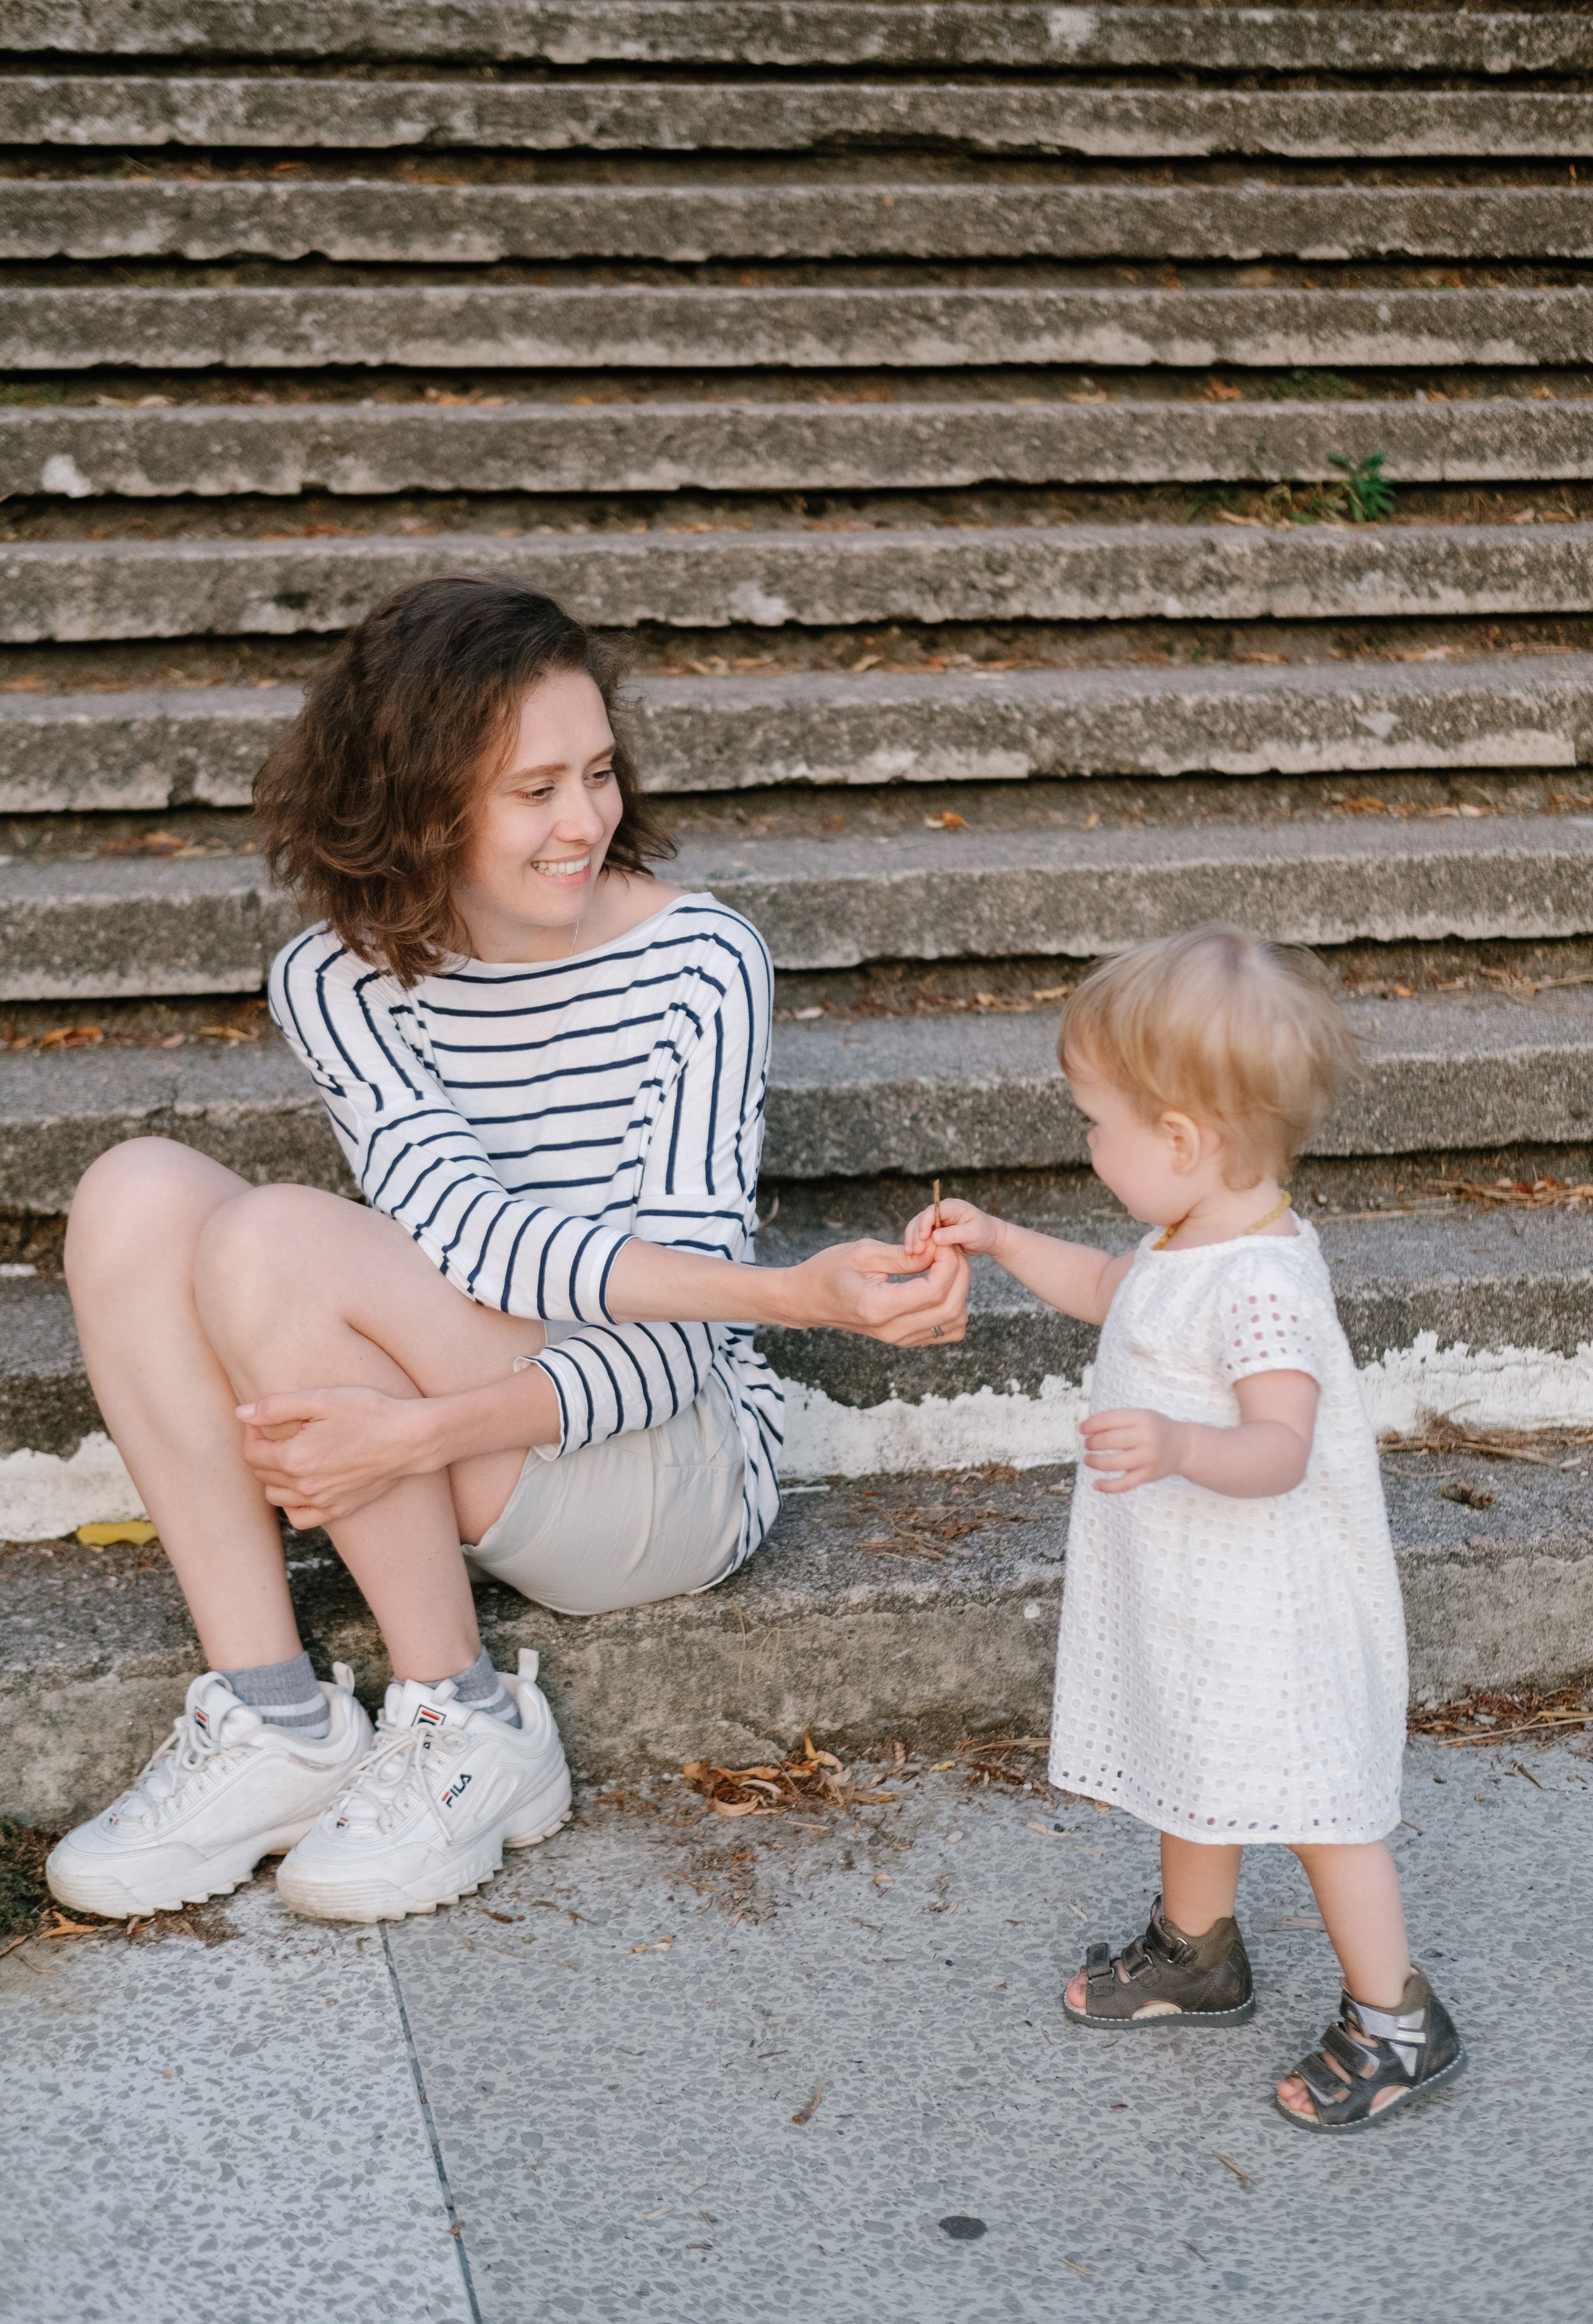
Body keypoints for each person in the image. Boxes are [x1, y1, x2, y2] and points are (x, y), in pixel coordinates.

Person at [49, 577, 967, 1928]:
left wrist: (416, 1437)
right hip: (483, 1420)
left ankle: (467, 1719)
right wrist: (784, 1289)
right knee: (134, 1195)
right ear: (419, 804)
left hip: (668, 1465)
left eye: (596, 773)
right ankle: (274, 1724)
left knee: (272, 1243)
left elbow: (669, 1359)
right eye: (532, 790)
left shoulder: (698, 962)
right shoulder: (337, 977)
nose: (584, 820)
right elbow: (465, 1240)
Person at [904, 926, 1465, 2132]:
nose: (1087, 1146)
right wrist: (1000, 1245)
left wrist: (1173, 1446)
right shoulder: (1185, 1240)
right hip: (1194, 1597)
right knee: (1191, 1759)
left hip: (1272, 1610)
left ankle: (1395, 2020)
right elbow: (1115, 1292)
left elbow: (1279, 1445)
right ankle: (1197, 1950)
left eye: (1094, 1125)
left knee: (1320, 1807)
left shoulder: (1262, 1285)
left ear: (1179, 1142)